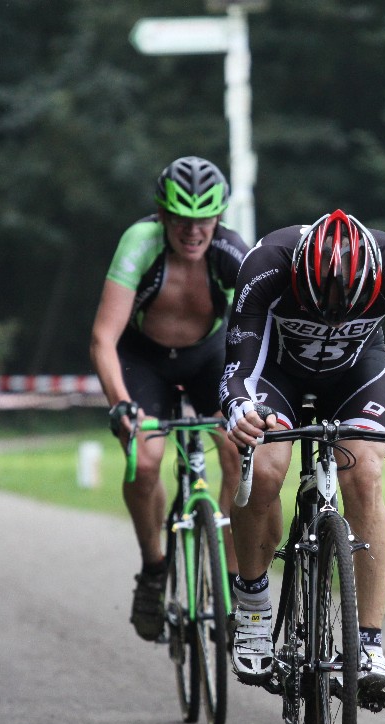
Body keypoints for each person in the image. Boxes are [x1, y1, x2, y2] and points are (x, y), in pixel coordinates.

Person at [221, 209, 385, 711]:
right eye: (319, 308)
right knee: (264, 472)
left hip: (356, 375)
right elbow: (237, 371)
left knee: (364, 475)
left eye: (348, 311)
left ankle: (368, 646)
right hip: (278, 374)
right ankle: (253, 607)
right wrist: (240, 409)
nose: (333, 321)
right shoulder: (266, 262)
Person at [90, 156, 249, 640]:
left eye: (204, 219)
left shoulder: (232, 252)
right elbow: (103, 338)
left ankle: (233, 582)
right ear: (162, 214)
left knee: (239, 449)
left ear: (218, 217)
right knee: (144, 461)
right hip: (145, 359)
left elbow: (261, 333)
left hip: (209, 357)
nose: (193, 231)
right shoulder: (140, 242)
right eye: (181, 218)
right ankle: (154, 569)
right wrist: (121, 404)